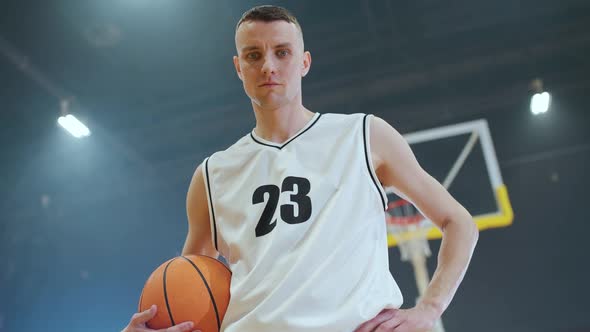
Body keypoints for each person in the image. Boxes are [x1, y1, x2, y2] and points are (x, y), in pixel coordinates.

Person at [122, 5, 478, 332]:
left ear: (305, 62)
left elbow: (458, 221)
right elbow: (190, 286)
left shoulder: (364, 135)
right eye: (253, 55)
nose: (269, 66)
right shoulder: (212, 174)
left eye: (282, 52)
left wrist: (430, 308)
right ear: (238, 67)